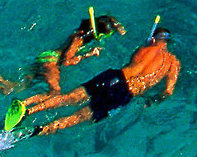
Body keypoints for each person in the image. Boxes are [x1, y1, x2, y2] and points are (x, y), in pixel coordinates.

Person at [12, 19, 182, 137]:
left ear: (154, 38)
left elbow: (136, 61)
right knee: (78, 117)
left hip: (114, 77)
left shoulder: (146, 48)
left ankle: (28, 111)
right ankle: (43, 129)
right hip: (126, 94)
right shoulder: (173, 63)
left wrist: (148, 43)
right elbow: (168, 92)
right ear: (167, 42)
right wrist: (152, 100)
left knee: (69, 98)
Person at [0, 9, 125, 108]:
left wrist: (116, 25)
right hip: (51, 62)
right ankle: (23, 106)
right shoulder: (79, 39)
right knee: (55, 93)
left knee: (15, 86)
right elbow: (67, 61)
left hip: (47, 58)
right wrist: (87, 55)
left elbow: (105, 20)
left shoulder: (79, 32)